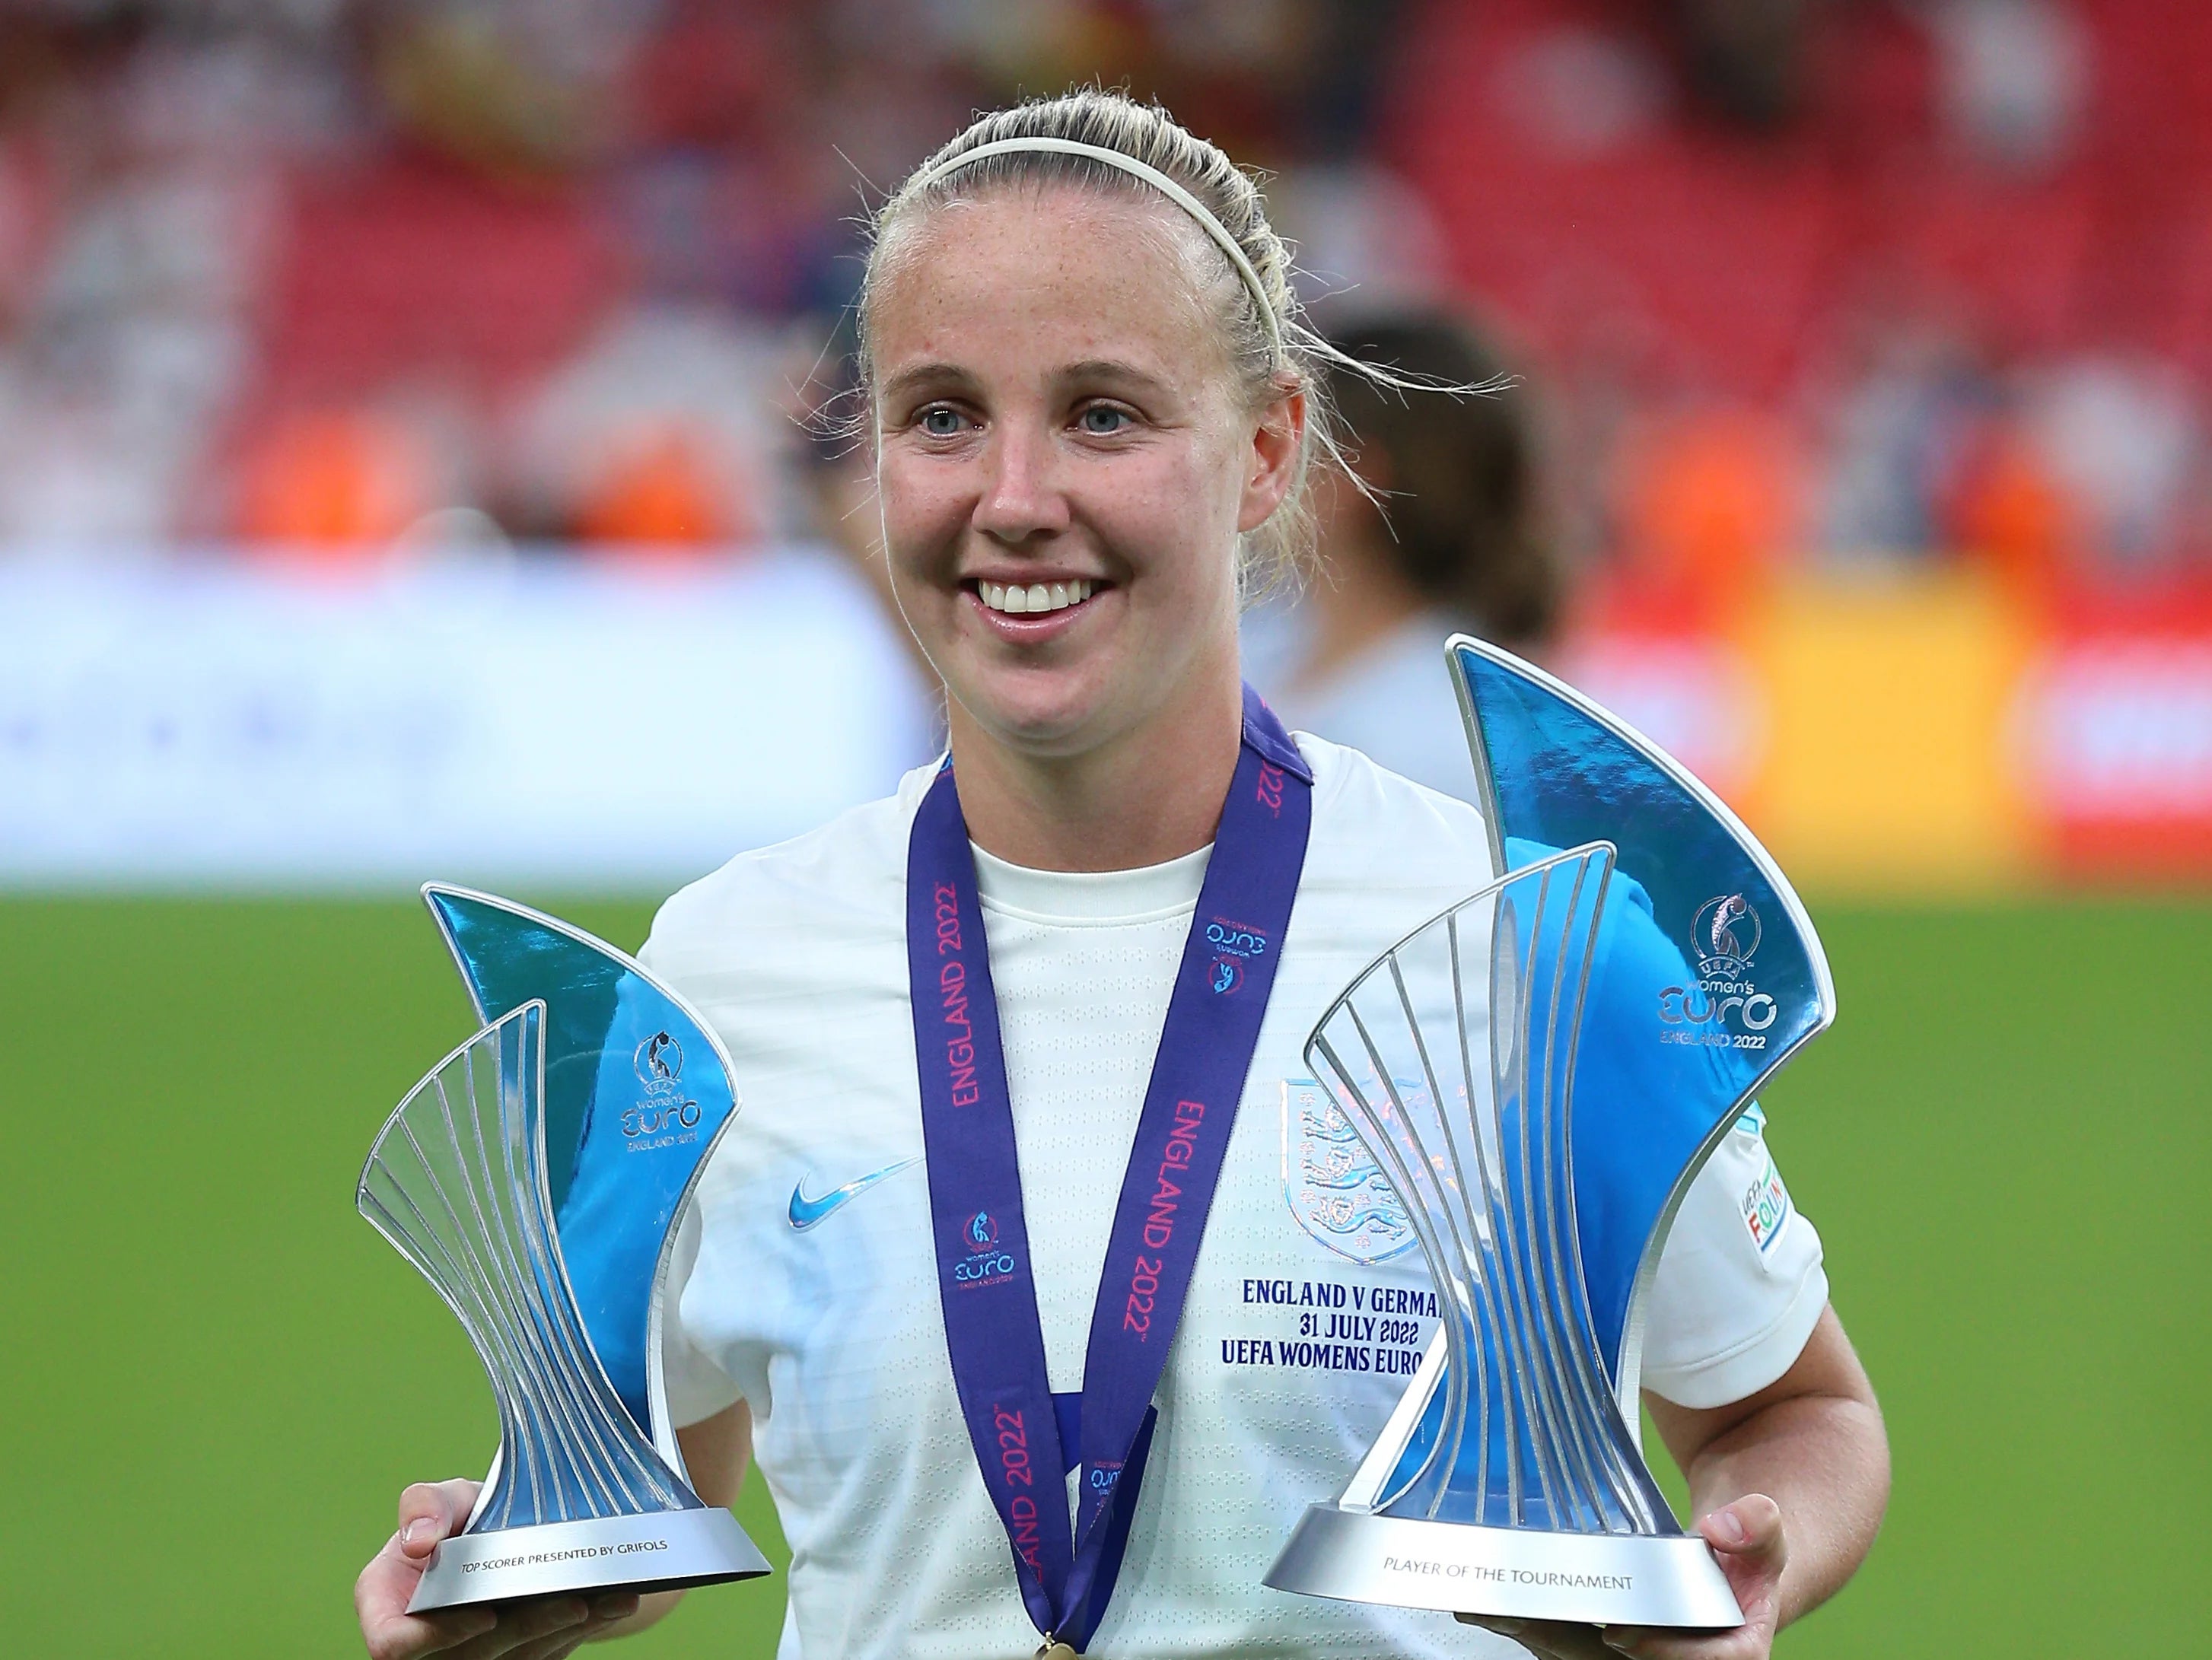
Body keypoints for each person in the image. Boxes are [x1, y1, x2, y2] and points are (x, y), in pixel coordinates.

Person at [355, 90, 1888, 1660]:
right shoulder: (724, 965)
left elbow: (1793, 1404)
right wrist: (505, 1569)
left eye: (1102, 412)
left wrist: (1739, 1562)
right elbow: (649, 1483)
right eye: (940, 415)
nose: (1013, 498)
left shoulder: (1523, 939)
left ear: (1265, 450)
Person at [1243, 307, 1559, 800]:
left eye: (1284, 440)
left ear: (1357, 476)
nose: (1258, 461)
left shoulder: (1437, 741)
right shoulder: (1261, 648)